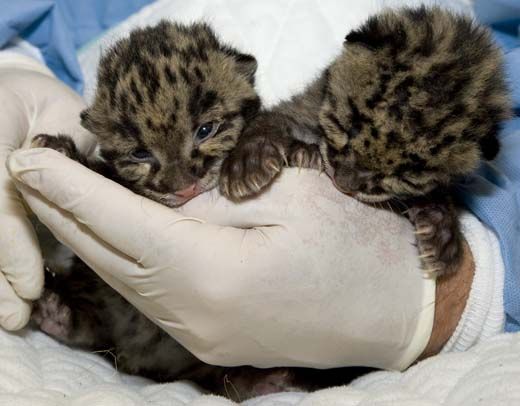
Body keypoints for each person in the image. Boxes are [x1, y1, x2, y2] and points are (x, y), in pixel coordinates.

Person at [0, 51, 509, 371]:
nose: (181, 181)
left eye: (204, 132)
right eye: (142, 152)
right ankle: (84, 319)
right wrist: (16, 59)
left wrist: (474, 287)